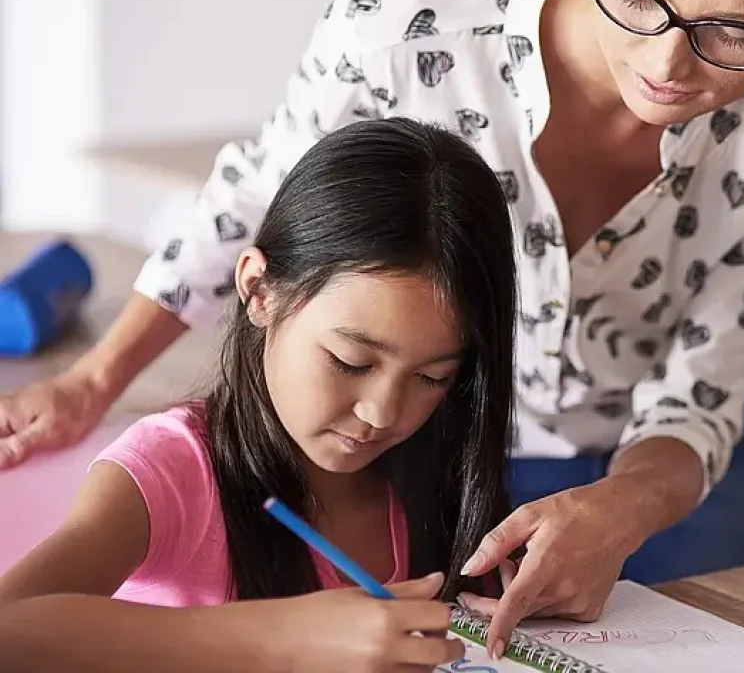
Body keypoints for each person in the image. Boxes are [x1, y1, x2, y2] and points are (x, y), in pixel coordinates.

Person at [0, 0, 744, 653]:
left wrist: (625, 500)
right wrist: (95, 379)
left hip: (636, 464)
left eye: (736, 34)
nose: (669, 63)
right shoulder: (403, 25)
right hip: (462, 452)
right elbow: (253, 205)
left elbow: (713, 378)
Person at [0, 118, 516, 671]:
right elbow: (10, 630)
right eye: (351, 361)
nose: (382, 413)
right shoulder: (174, 470)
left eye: (431, 377)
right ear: (259, 291)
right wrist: (276, 639)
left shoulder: (438, 470)